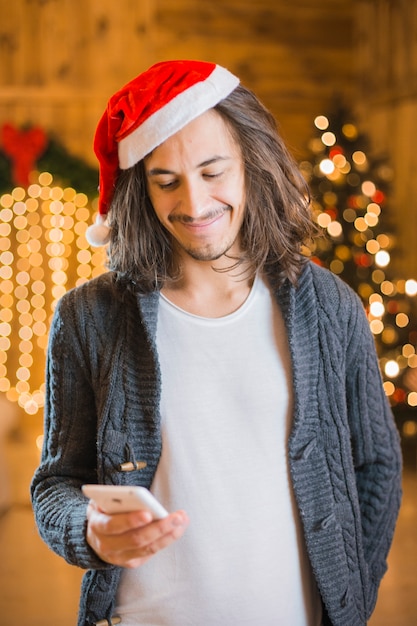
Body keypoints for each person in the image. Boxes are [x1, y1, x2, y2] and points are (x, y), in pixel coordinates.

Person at [31, 60, 402, 626]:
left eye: (213, 171)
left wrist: (351, 599)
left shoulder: (329, 307)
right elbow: (56, 484)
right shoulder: (89, 318)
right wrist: (88, 530)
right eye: (166, 181)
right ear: (140, 189)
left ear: (251, 165)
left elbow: (375, 468)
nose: (196, 204)